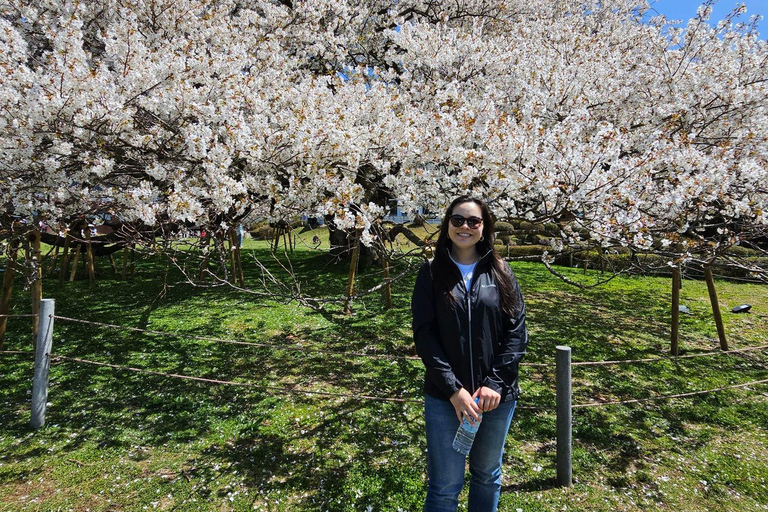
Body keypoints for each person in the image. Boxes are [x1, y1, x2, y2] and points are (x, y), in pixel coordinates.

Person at [411, 195, 528, 512]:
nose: (465, 226)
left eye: (473, 221)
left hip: (495, 399)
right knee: (444, 487)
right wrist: (454, 390)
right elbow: (425, 336)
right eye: (457, 220)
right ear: (447, 224)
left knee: (487, 476)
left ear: (484, 227)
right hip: (444, 398)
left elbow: (516, 332)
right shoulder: (432, 273)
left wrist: (495, 384)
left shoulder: (501, 272)